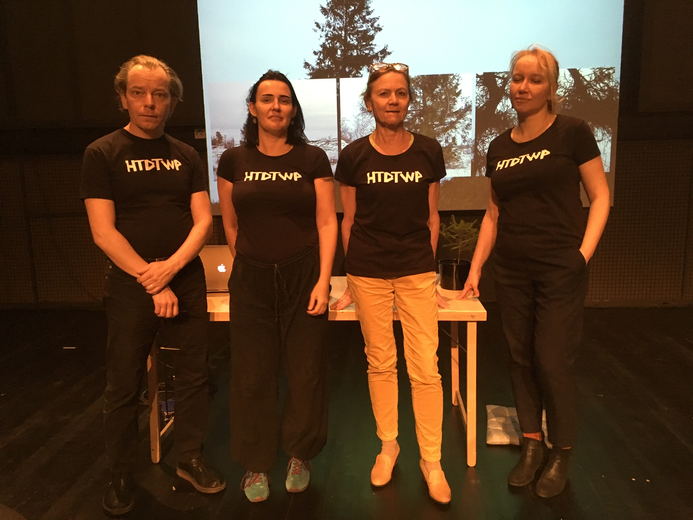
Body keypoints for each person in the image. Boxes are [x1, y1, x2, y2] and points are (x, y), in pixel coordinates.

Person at [460, 46, 610, 498]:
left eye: (534, 79)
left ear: (551, 87)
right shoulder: (499, 146)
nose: (522, 87)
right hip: (511, 269)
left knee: (552, 359)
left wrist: (582, 255)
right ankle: (530, 444)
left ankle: (560, 451)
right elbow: (493, 214)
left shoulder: (573, 132)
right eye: (517, 79)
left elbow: (600, 197)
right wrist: (475, 270)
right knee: (520, 358)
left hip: (560, 268)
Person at [80, 55, 225, 515]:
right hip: (132, 286)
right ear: (123, 98)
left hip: (186, 280)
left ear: (172, 103)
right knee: (123, 385)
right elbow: (103, 232)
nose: (149, 102)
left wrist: (172, 269)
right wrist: (152, 279)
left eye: (160, 95)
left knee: (195, 377)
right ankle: (122, 473)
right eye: (139, 93)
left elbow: (202, 222)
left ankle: (190, 459)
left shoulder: (186, 154)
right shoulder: (101, 152)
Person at [332, 62, 451, 504]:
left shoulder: (428, 151)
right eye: (384, 93)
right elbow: (349, 221)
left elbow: (432, 217)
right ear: (370, 102)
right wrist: (350, 276)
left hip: (416, 270)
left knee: (425, 368)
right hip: (367, 271)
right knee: (380, 363)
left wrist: (428, 270)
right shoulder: (353, 156)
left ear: (409, 100)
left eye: (400, 92)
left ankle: (432, 460)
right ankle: (388, 446)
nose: (393, 100)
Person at [216, 70, 337, 503]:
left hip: (303, 275)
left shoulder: (313, 158)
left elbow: (327, 222)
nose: (275, 106)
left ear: (293, 109)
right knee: (252, 376)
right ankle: (255, 463)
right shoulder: (233, 160)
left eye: (284, 100)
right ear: (252, 108)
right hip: (251, 279)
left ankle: (300, 455)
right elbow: (230, 224)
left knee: (306, 373)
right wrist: (248, 263)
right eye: (266, 99)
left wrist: (323, 280)